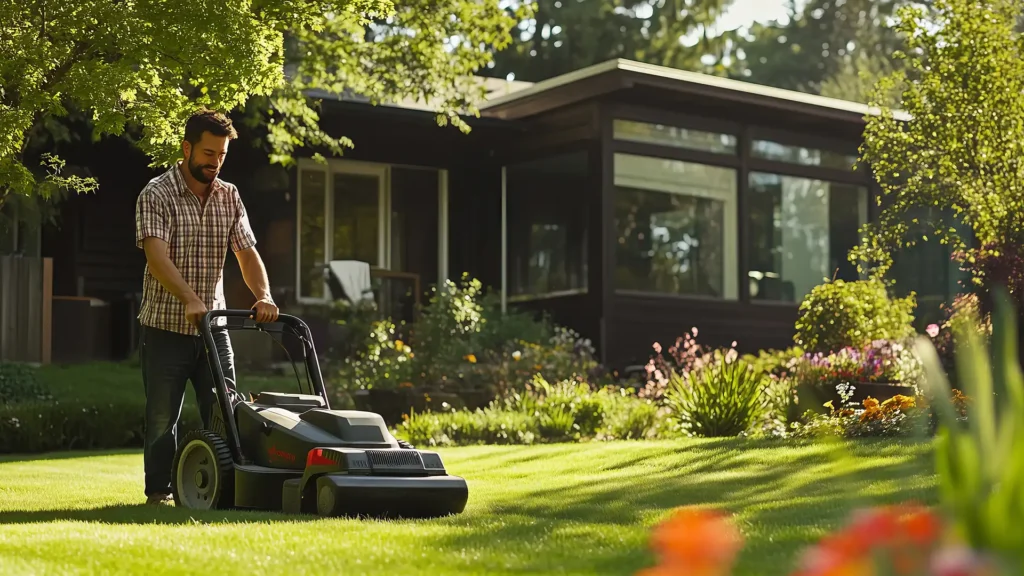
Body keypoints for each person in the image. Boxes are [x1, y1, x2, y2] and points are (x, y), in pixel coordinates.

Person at [134, 108, 279, 505]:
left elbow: (247, 254)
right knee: (163, 418)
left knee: (226, 408)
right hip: (164, 327)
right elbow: (156, 256)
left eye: (221, 156)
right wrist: (188, 298)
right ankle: (159, 493)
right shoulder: (157, 193)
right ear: (187, 148)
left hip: (213, 329)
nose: (214, 163)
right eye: (208, 154)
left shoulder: (229, 196)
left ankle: (226, 487)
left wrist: (263, 295)